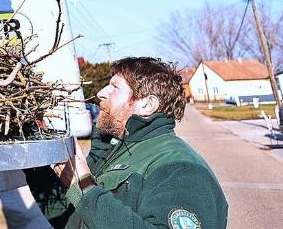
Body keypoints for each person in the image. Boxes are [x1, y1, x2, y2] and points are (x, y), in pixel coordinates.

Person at [30, 57, 228, 229]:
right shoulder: (117, 149)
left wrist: (83, 183)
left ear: (147, 104)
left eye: (114, 87)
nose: (100, 93)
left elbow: (90, 199)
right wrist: (33, 152)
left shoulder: (180, 168)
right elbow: (76, 217)